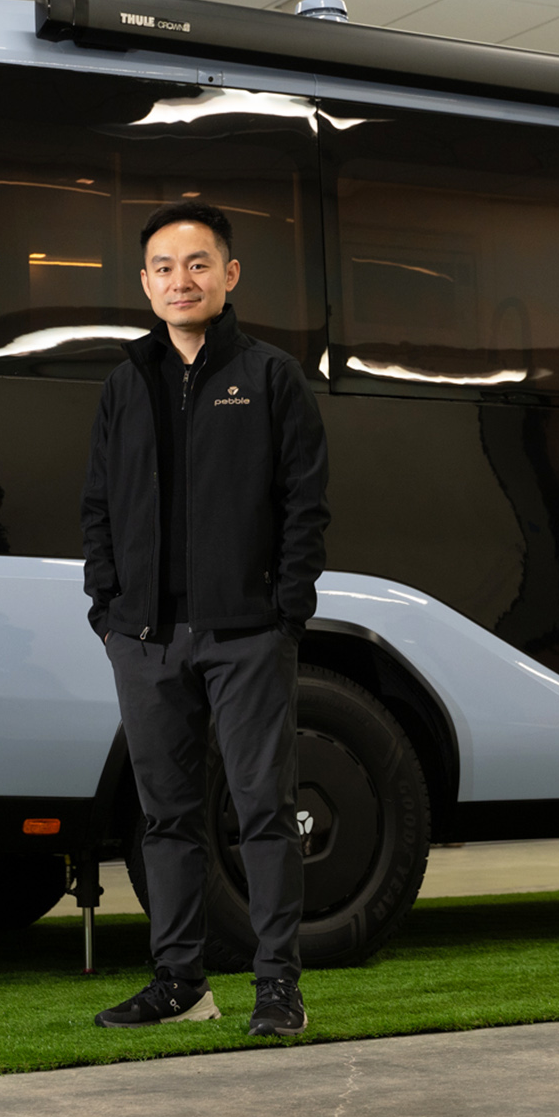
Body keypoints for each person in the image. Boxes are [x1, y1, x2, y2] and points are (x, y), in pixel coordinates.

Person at [81, 201, 329, 1038]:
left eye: (196, 263)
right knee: (167, 816)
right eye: (162, 266)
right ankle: (180, 982)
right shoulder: (126, 381)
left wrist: (286, 607)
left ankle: (277, 986)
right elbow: (99, 504)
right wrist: (109, 609)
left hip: (247, 633)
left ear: (229, 274)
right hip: (145, 639)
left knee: (263, 808)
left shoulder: (267, 377)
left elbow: (306, 502)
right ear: (144, 283)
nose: (178, 279)